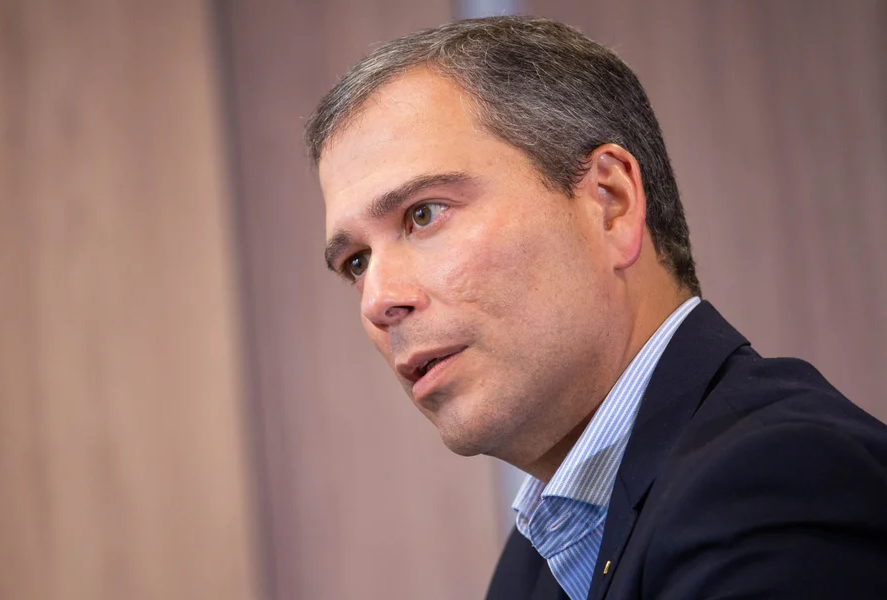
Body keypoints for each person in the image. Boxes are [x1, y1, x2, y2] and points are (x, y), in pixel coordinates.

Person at [304, 16, 887, 600]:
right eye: (356, 262)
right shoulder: (534, 560)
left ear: (611, 203)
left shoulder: (779, 482)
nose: (378, 300)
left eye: (423, 214)